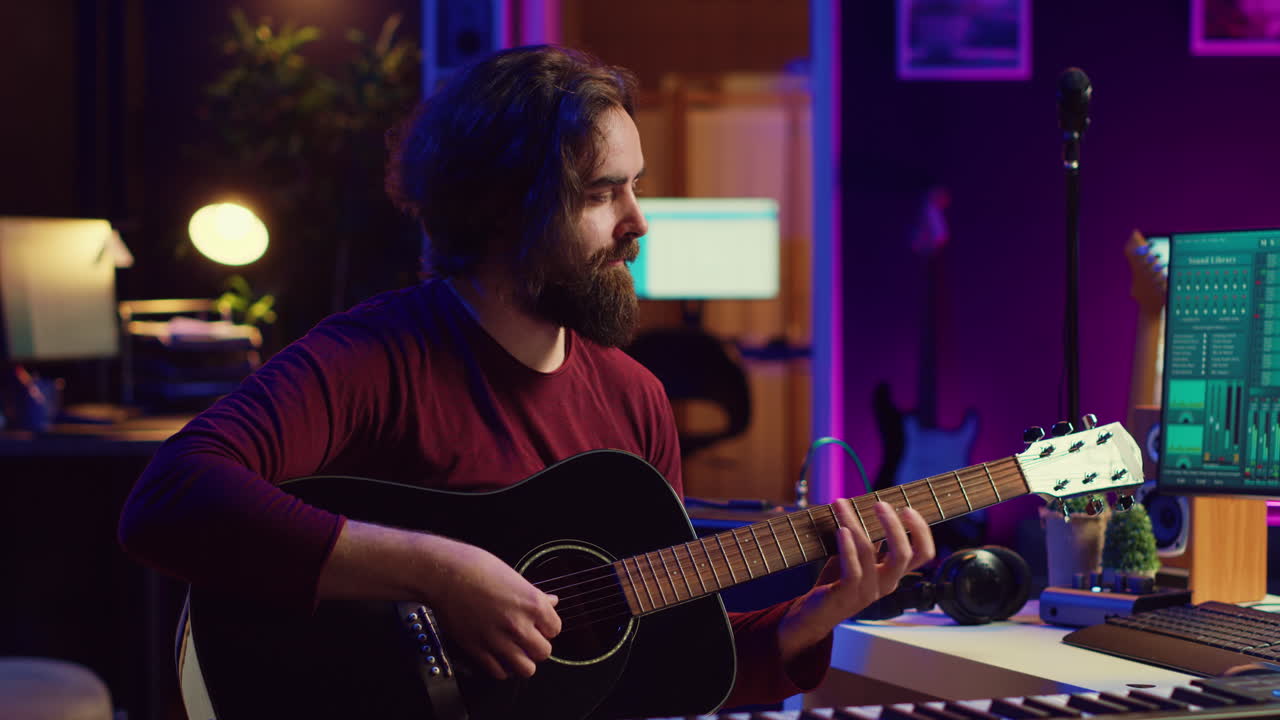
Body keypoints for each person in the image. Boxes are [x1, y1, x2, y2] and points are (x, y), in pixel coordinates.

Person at [118, 44, 936, 714]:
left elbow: (650, 667)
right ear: (506, 209)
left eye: (637, 186)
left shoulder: (636, 398)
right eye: (602, 194)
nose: (638, 222)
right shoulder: (375, 358)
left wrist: (815, 614)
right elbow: (170, 498)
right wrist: (439, 571)